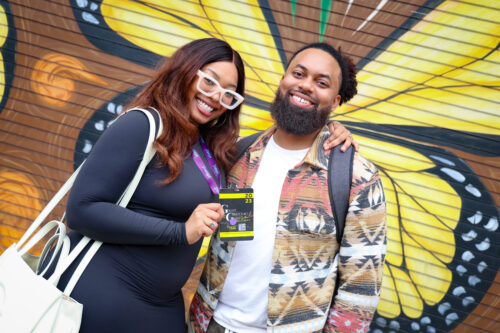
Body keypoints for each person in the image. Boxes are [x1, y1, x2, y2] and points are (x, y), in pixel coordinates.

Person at [48, 38, 354, 332]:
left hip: (164, 307)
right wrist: (180, 232)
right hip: (106, 295)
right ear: (185, 72)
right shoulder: (143, 125)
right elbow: (81, 211)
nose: (215, 97)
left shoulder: (226, 154)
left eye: (228, 93)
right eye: (209, 81)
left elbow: (238, 235)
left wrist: (326, 129)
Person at [189, 42, 387, 333]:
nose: (305, 85)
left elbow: (360, 291)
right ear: (283, 80)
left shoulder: (356, 177)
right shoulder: (240, 155)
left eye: (321, 82)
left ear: (335, 102)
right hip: (210, 323)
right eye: (298, 73)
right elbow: (235, 236)